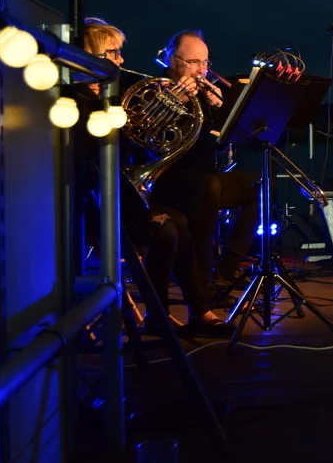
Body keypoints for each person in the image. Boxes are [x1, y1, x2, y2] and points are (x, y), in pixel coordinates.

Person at [79, 19, 233, 336]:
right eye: (113, 53)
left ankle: (193, 310)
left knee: (180, 225)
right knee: (168, 230)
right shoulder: (77, 100)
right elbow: (110, 149)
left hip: (132, 192)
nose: (121, 60)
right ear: (90, 55)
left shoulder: (118, 90)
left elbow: (148, 143)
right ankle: (163, 312)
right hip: (96, 199)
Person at [148, 30, 259, 292]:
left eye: (205, 63)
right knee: (207, 186)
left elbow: (219, 147)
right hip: (170, 180)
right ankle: (204, 278)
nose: (202, 71)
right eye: (194, 62)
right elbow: (157, 144)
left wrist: (222, 114)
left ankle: (227, 267)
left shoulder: (206, 94)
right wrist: (177, 102)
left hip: (204, 177)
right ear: (172, 61)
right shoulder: (156, 89)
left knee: (260, 184)